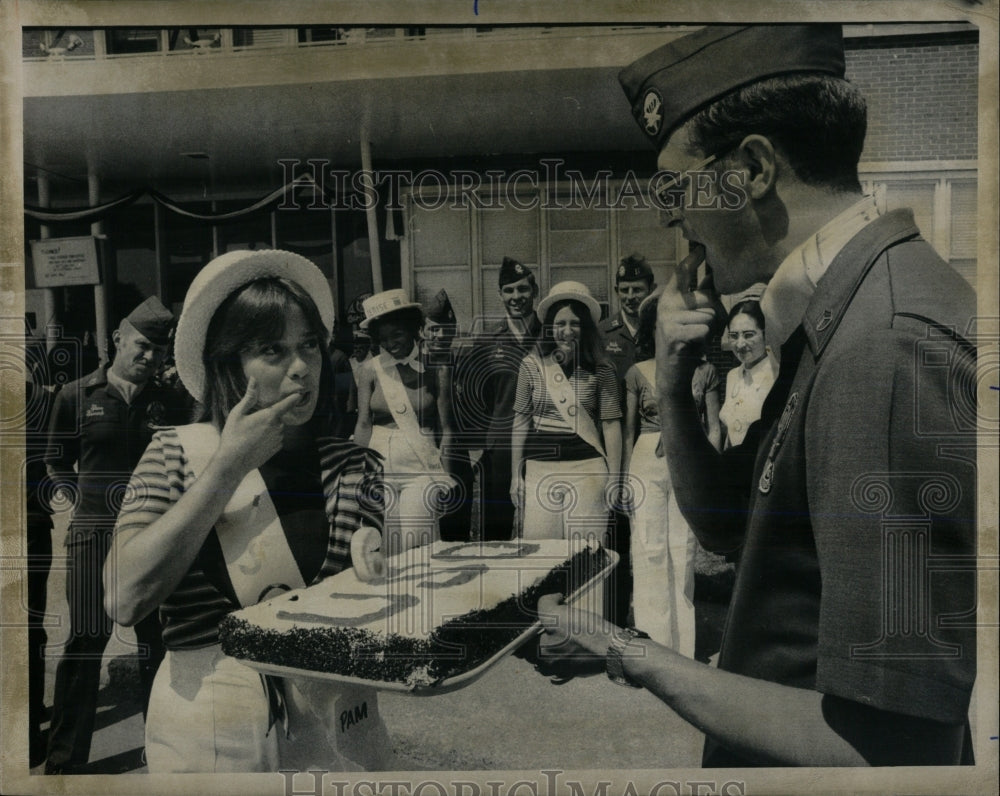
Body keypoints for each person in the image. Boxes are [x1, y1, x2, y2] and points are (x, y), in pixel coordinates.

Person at [538, 23, 976, 766]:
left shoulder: (886, 345)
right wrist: (672, 381)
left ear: (750, 171)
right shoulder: (842, 311)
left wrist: (631, 653)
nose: (675, 219)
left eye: (677, 190)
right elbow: (733, 529)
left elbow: (895, 747)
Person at [104, 249, 390, 772]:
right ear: (227, 363)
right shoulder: (174, 452)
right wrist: (228, 468)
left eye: (309, 345)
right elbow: (124, 597)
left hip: (340, 724)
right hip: (212, 726)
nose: (302, 367)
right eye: (272, 350)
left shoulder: (356, 467)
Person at [44, 296, 179, 774]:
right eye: (143, 346)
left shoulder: (172, 401)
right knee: (84, 646)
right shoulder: (77, 395)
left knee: (158, 648)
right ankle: (63, 766)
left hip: (154, 540)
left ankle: (163, 753)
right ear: (118, 339)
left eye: (160, 352)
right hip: (94, 538)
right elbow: (56, 460)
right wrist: (80, 505)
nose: (150, 357)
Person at [510, 281, 622, 542]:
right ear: (549, 327)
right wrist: (516, 475)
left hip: (588, 470)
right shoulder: (530, 365)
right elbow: (520, 421)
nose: (567, 331)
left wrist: (615, 478)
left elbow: (611, 425)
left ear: (586, 328)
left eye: (575, 323)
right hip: (540, 470)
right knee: (542, 553)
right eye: (560, 323)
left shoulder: (602, 369)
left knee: (587, 554)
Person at [620, 295, 698, 655]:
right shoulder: (637, 372)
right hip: (645, 462)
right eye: (660, 323)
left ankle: (685, 649)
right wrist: (623, 478)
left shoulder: (696, 368)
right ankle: (653, 646)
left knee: (682, 550)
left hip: (685, 459)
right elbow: (628, 430)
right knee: (649, 548)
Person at [353, 289, 454, 554]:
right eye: (383, 339)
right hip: (378, 464)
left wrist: (446, 477)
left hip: (420, 466)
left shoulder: (436, 368)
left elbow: (446, 430)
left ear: (413, 329)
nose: (391, 344)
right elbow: (363, 423)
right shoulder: (369, 370)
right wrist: (357, 476)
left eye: (396, 334)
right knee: (385, 545)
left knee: (416, 543)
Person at [459, 257, 544, 541]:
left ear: (535, 291)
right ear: (500, 294)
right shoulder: (486, 341)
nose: (516, 297)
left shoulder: (550, 336)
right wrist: (480, 447)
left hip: (544, 442)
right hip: (500, 447)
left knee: (544, 524)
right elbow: (474, 400)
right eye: (509, 290)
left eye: (522, 289)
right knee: (496, 531)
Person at [599, 254, 656, 624]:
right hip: (615, 444)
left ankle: (654, 619)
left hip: (650, 446)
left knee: (652, 537)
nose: (631, 297)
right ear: (616, 292)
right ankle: (616, 620)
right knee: (616, 535)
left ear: (650, 290)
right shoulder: (603, 335)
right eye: (625, 290)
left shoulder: (658, 331)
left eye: (638, 289)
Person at [423, 289, 474, 542]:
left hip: (460, 460)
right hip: (427, 459)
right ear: (422, 331)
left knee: (458, 537)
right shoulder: (416, 367)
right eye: (433, 329)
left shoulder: (464, 364)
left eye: (446, 328)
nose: (440, 335)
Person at [718, 299, 778, 448]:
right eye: (733, 336)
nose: (740, 344)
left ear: (766, 334)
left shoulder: (777, 375)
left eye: (748, 335)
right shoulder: (732, 376)